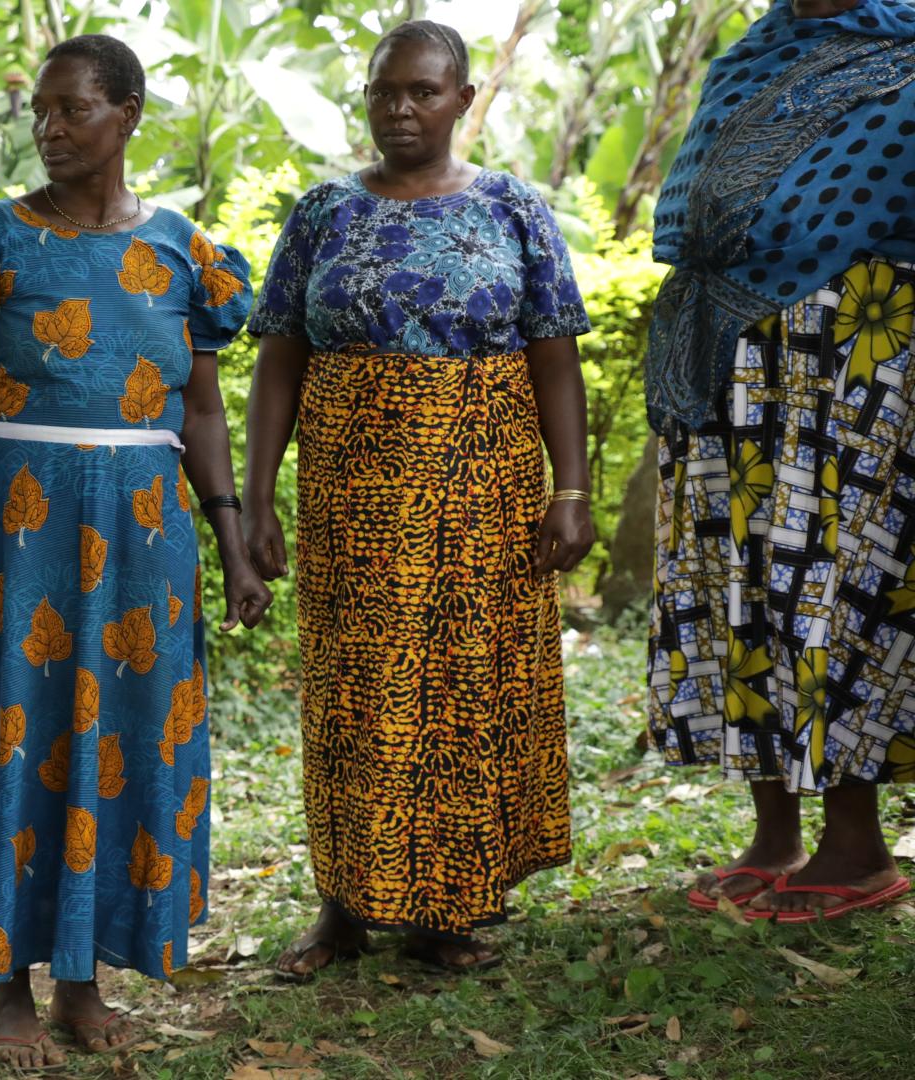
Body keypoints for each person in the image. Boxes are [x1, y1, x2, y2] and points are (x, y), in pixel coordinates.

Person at [0, 34, 271, 1070]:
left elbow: (202, 413)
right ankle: (9, 990)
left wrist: (235, 540)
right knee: (8, 737)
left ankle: (81, 980)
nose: (50, 130)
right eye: (41, 114)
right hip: (17, 532)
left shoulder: (185, 258)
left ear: (128, 114)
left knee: (123, 733)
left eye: (73, 110)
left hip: (146, 540)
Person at [242, 20, 594, 976]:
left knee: (464, 687)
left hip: (484, 484)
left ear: (463, 100)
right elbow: (281, 358)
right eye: (385, 91)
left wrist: (572, 489)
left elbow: (556, 358)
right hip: (352, 486)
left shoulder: (514, 209)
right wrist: (257, 495)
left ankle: (452, 910)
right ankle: (341, 910)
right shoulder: (322, 213)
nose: (401, 108)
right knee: (355, 687)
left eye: (424, 91)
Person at [645, 0, 915, 922]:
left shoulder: (907, 52)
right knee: (741, 590)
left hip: (848, 372)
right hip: (729, 373)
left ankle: (858, 848)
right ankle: (775, 834)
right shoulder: (751, 56)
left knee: (831, 594)